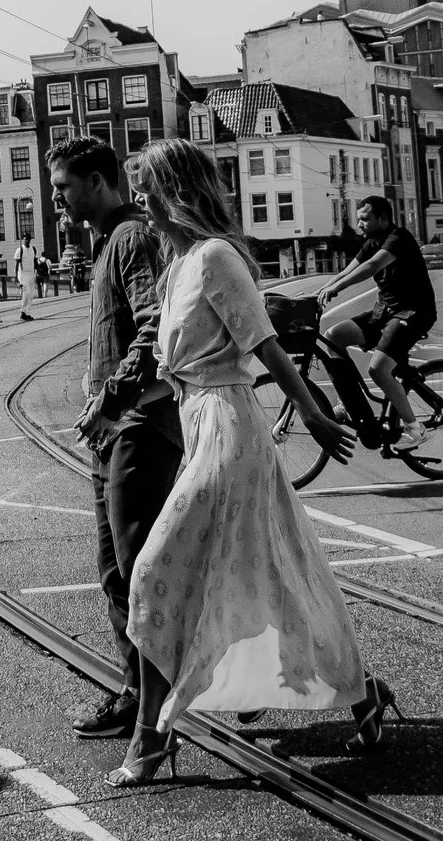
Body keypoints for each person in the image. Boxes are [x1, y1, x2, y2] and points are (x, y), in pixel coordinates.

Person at [115, 139, 393, 788]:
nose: (140, 201)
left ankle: (151, 735)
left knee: (155, 572)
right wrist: (111, 411)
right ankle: (363, 692)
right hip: (199, 425)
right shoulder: (177, 267)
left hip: (230, 430)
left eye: (147, 188)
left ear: (176, 191)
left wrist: (315, 414)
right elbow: (176, 371)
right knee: (275, 578)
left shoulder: (216, 257)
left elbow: (265, 347)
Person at [57, 138, 184, 743]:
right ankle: (140, 691)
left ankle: (155, 703)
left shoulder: (131, 238)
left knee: (137, 567)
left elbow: (154, 327)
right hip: (112, 428)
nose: (57, 198)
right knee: (115, 570)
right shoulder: (107, 242)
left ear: (97, 181)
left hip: (137, 423)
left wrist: (110, 397)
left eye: (64, 186)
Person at [315, 195, 437, 453]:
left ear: (383, 219)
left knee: (378, 369)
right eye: (359, 219)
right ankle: (348, 404)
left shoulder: (398, 238)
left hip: (412, 313)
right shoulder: (371, 242)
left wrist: (337, 289)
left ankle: (415, 428)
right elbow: (346, 271)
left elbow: (372, 266)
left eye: (365, 219)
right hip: (385, 312)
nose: (359, 224)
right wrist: (317, 294)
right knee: (334, 336)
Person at [12, 236, 38, 320]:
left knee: (31, 294)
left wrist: (36, 273)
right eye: (25, 239)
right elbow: (16, 264)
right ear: (23, 240)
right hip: (23, 273)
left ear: (30, 240)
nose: (26, 240)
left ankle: (27, 312)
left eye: (28, 239)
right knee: (27, 291)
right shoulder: (20, 250)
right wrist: (16, 277)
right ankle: (22, 311)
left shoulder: (33, 249)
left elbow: (35, 261)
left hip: (31, 273)